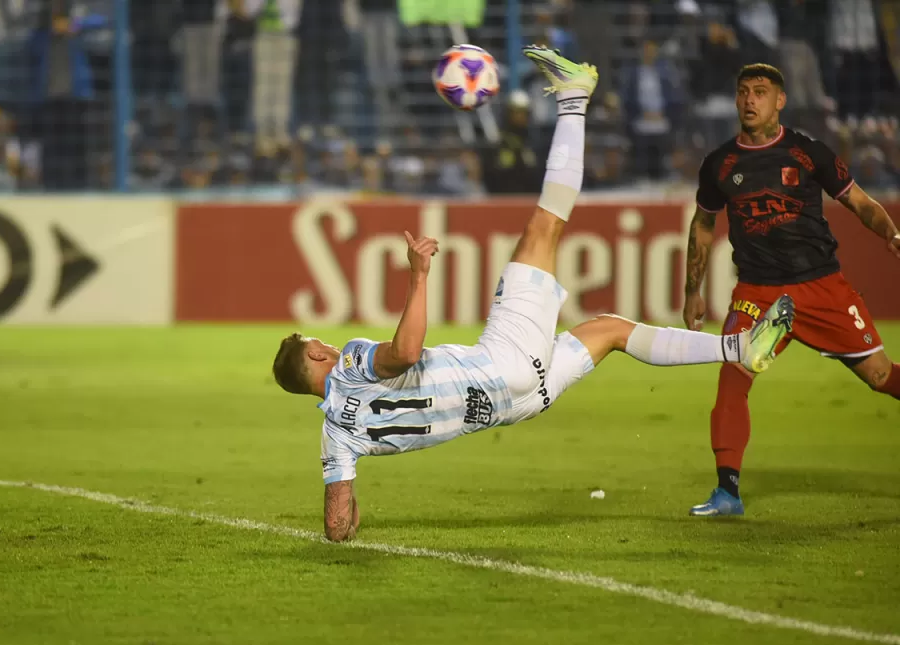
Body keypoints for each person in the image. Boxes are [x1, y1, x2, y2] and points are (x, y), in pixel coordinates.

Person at [270, 48, 796, 543]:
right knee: (543, 229)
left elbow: (338, 526)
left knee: (610, 330)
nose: (330, 345)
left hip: (516, 406)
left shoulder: (335, 438)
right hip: (501, 364)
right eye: (321, 343)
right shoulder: (353, 362)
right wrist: (419, 275)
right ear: (315, 355)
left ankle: (740, 348)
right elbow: (405, 353)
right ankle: (574, 96)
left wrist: (352, 511)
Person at [683, 63, 900, 518]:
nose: (749, 100)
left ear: (779, 101)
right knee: (732, 379)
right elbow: (703, 225)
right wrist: (693, 291)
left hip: (821, 286)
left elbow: (859, 201)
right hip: (758, 293)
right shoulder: (720, 164)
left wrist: (890, 232)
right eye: (743, 92)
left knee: (880, 376)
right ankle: (727, 493)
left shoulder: (807, 153)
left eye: (760, 92)